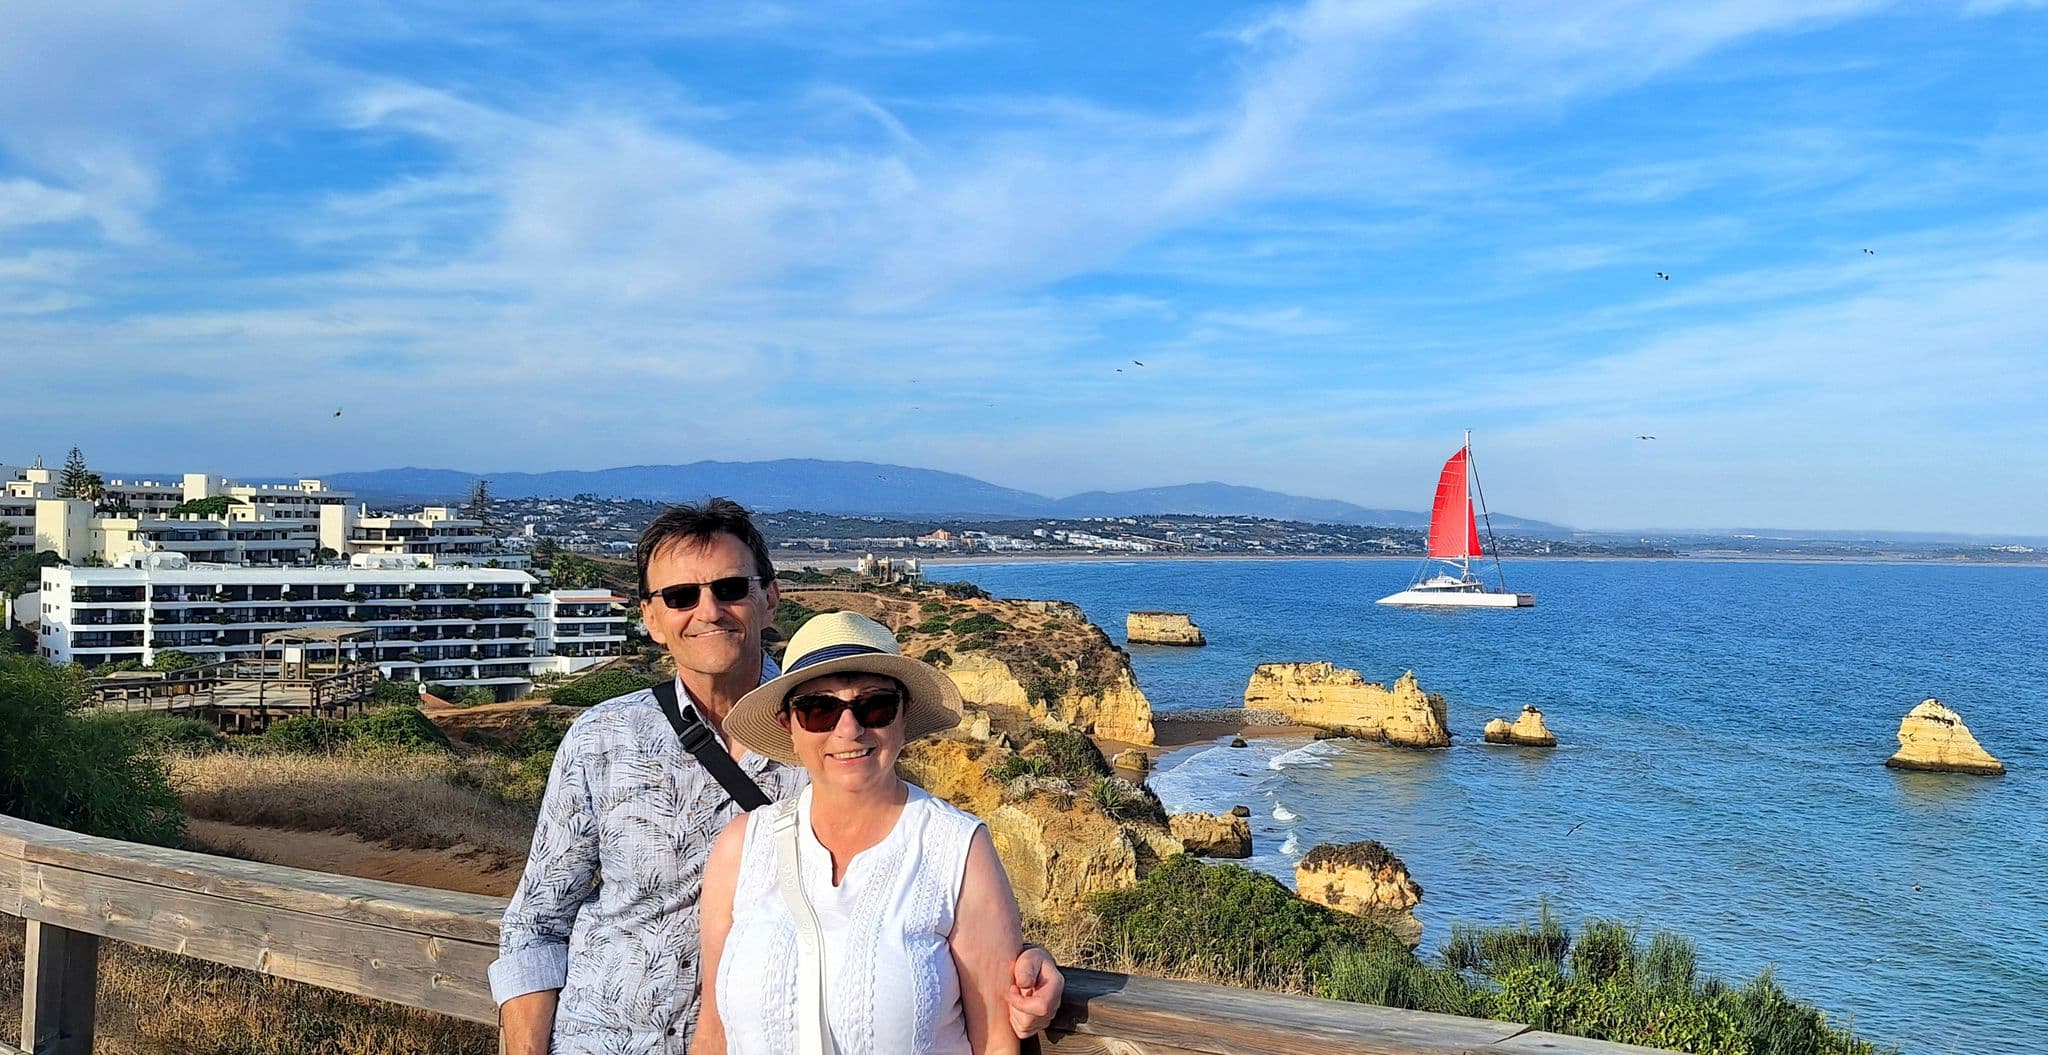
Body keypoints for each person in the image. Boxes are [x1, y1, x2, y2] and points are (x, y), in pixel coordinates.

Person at [490, 499, 1062, 1054]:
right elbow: (536, 922)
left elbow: (915, 889)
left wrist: (1019, 961)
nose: (708, 610)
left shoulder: (841, 740)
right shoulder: (600, 740)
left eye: (730, 588)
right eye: (681, 595)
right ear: (652, 618)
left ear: (769, 599)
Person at [695, 612, 1023, 1055]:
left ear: (903, 716)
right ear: (788, 727)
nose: (849, 729)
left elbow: (996, 1043)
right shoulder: (742, 848)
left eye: (874, 706)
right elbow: (713, 1035)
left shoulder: (957, 848)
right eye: (819, 710)